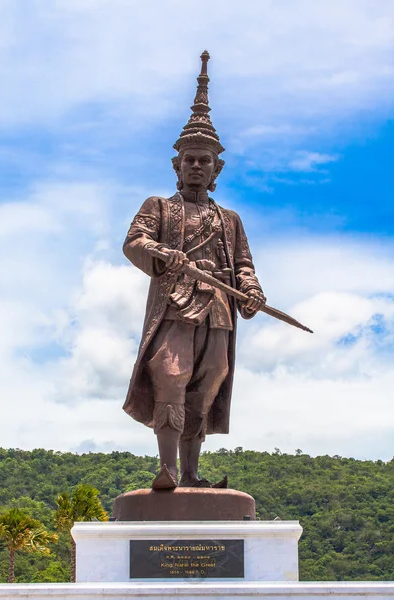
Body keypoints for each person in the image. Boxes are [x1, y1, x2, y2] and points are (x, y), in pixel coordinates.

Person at [122, 51, 266, 489]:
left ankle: (191, 473)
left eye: (205, 160)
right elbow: (134, 242)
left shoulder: (230, 219)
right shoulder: (159, 208)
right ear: (177, 165)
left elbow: (243, 264)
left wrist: (250, 288)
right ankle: (166, 469)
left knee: (205, 386)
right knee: (170, 375)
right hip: (175, 307)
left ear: (216, 167)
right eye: (190, 159)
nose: (197, 166)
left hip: (218, 310)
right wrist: (165, 254)